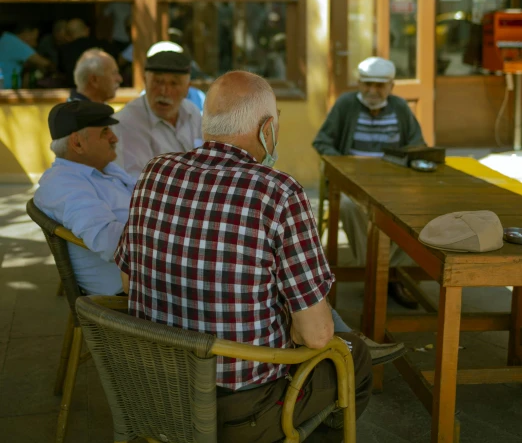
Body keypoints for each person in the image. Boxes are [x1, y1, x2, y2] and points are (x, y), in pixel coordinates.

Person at [115, 72, 399, 442]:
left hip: (154, 395)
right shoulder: (279, 192)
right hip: (240, 413)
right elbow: (316, 335)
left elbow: (127, 281)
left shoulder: (154, 173)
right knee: (353, 356)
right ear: (267, 129)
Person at [313, 56, 425, 309]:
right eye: (367, 84)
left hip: (394, 183)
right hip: (352, 182)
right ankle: (375, 271)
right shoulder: (345, 105)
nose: (373, 91)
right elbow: (322, 142)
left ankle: (389, 273)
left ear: (391, 86)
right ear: (359, 83)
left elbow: (418, 144)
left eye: (379, 85)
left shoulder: (399, 108)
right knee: (349, 208)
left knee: (416, 209)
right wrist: (348, 162)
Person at [34, 101, 136, 295]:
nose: (114, 138)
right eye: (105, 131)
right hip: (127, 293)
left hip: (144, 272)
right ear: (77, 142)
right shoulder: (63, 184)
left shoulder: (103, 168)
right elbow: (108, 241)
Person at [114, 49, 202, 179]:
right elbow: (140, 179)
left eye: (174, 83)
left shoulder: (192, 111)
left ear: (187, 88)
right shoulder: (127, 121)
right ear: (145, 82)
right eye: (158, 82)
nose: (164, 91)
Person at [0, 23, 52, 88]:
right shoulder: (14, 42)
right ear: (26, 33)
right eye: (34, 38)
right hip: (5, 93)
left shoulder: (6, 39)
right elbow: (46, 63)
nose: (35, 44)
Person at [59, 18, 97, 87]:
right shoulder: (104, 45)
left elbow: (61, 73)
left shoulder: (65, 50)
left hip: (76, 92)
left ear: (68, 37)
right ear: (87, 30)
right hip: (102, 91)